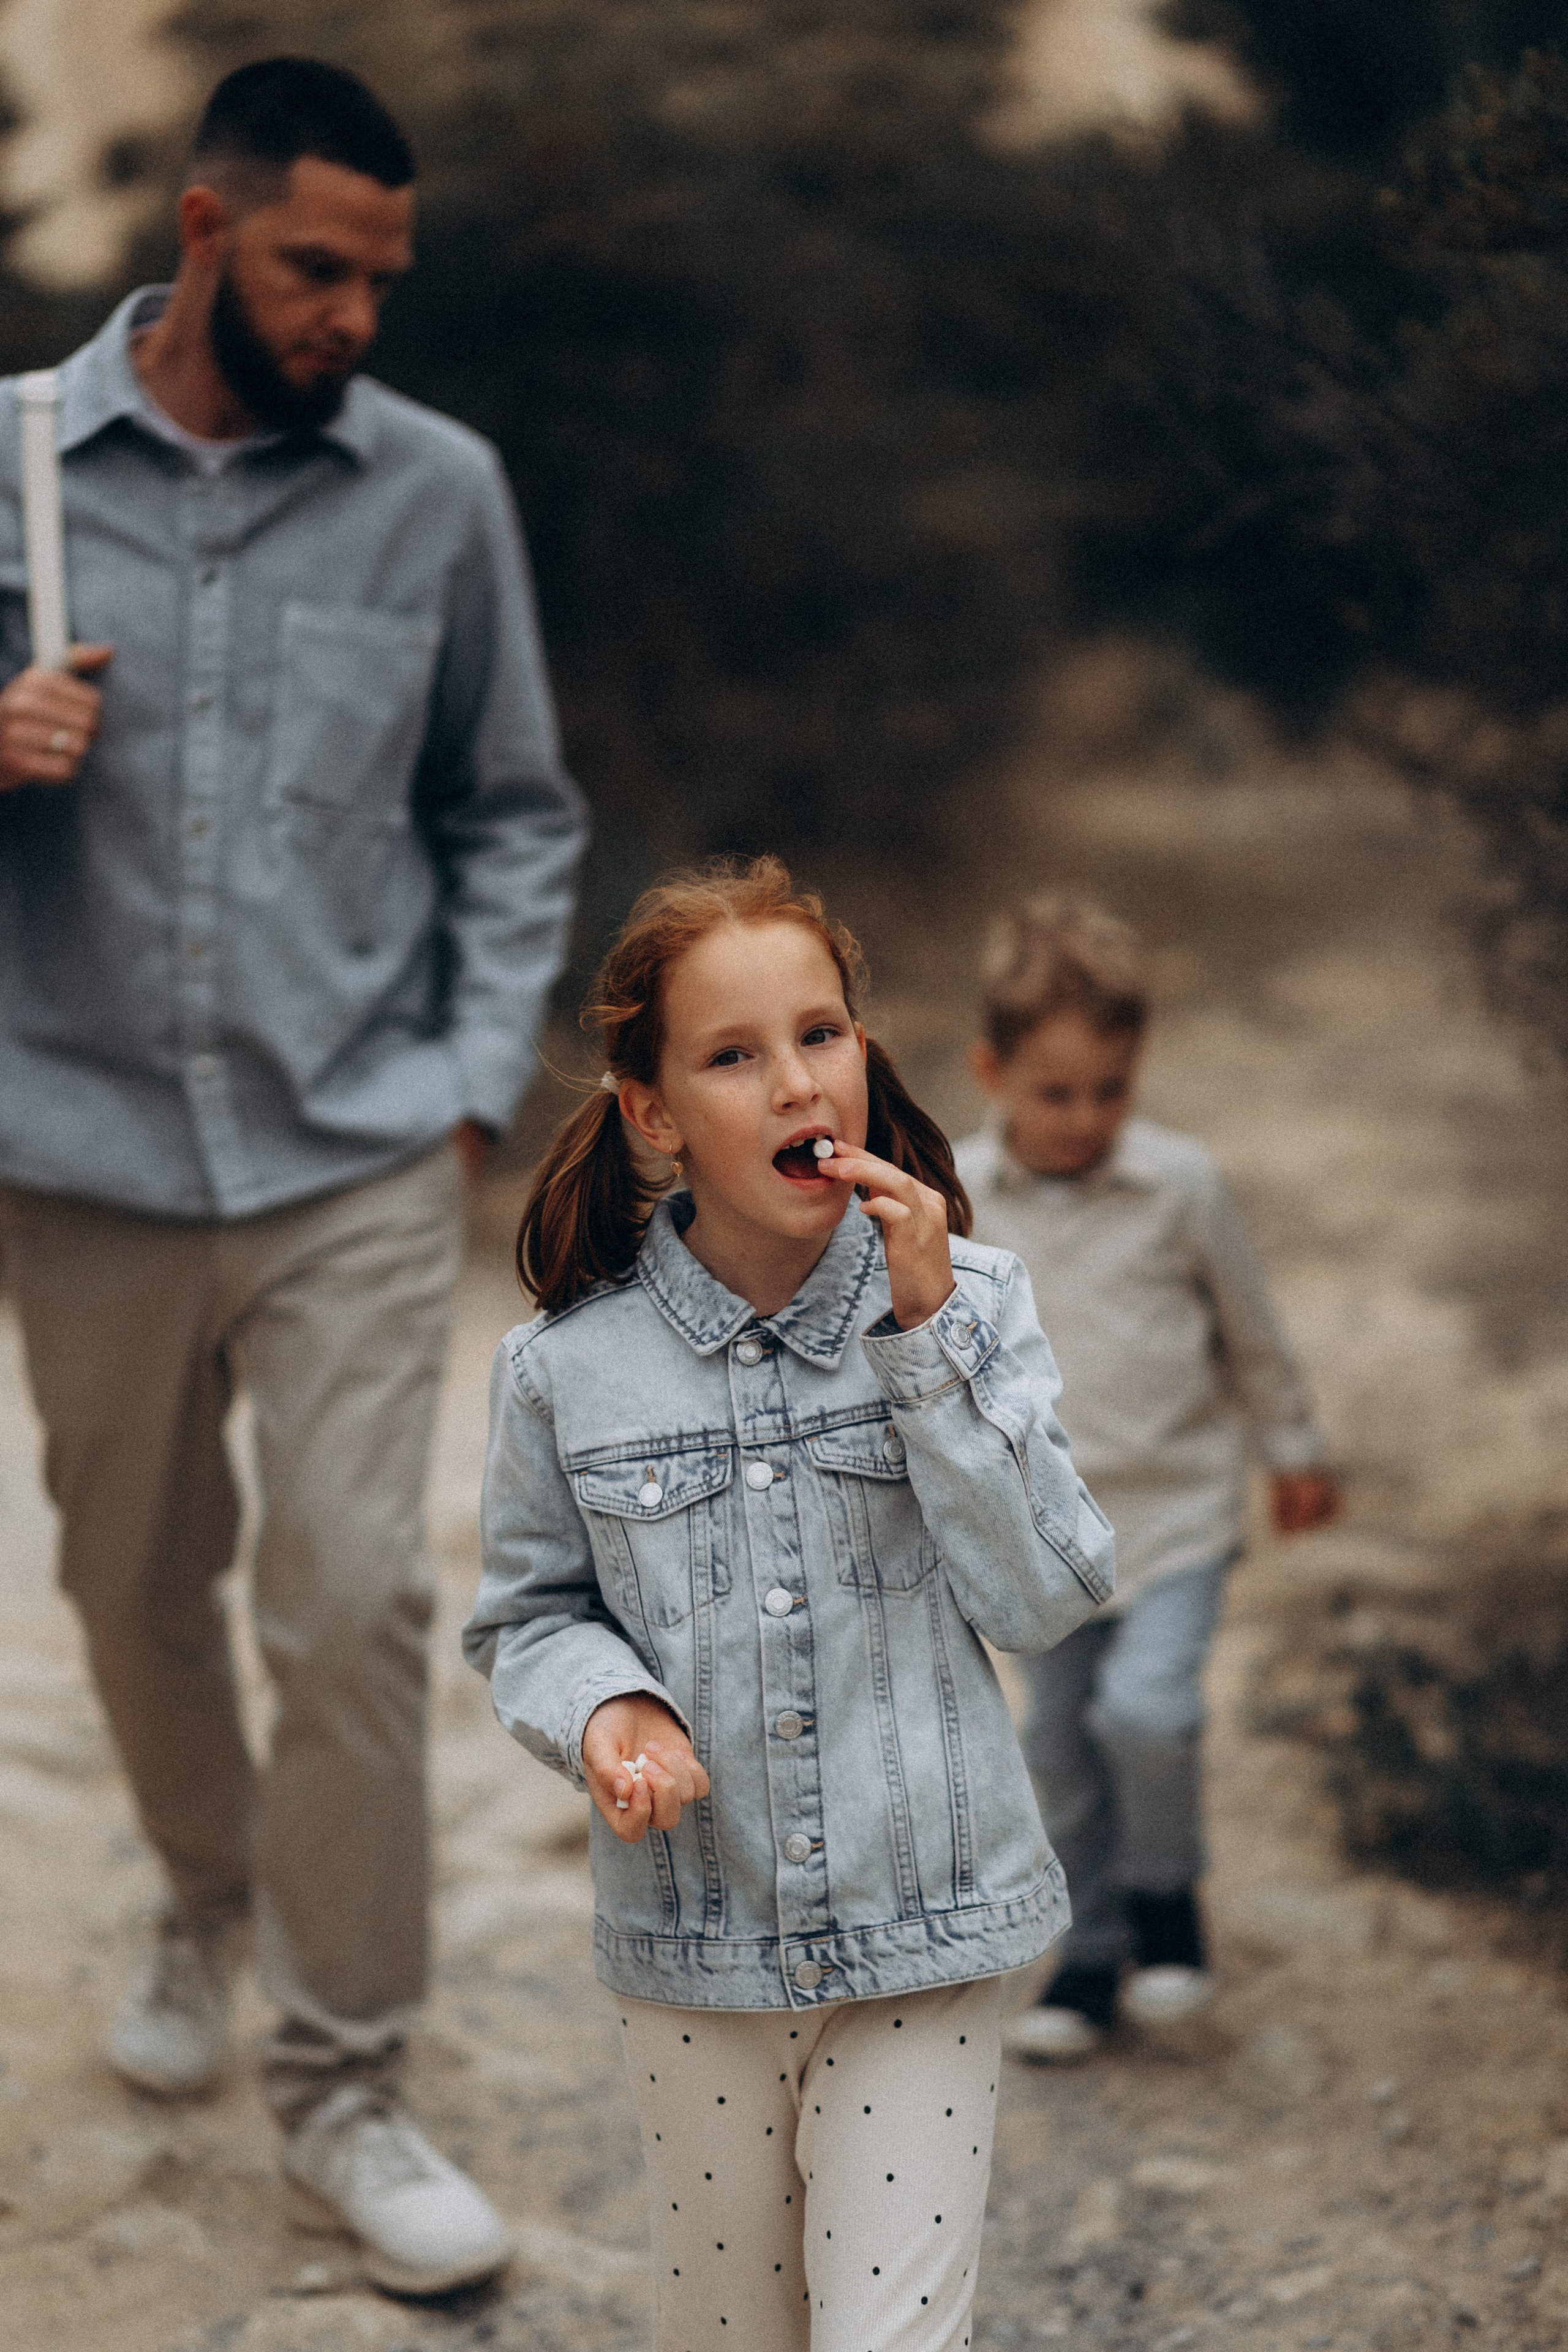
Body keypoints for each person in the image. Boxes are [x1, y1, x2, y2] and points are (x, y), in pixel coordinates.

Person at [0, 59, 586, 2291]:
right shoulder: (10, 461)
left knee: (350, 1601)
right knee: (133, 1595)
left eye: (382, 281)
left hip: (352, 1152)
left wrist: (468, 1073)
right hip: (76, 1151)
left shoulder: (441, 492)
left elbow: (511, 810)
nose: (354, 313)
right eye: (317, 267)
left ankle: (346, 2085)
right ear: (204, 230)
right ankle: (206, 1894)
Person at [464, 855, 1116, 2352]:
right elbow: (528, 1618)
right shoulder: (563, 1370)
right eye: (733, 1056)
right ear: (652, 1112)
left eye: (820, 1035)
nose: (796, 1085)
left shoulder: (967, 1302)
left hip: (930, 1926)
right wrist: (610, 1711)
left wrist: (924, 1339)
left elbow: (1043, 1595)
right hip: (695, 1948)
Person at [956, 895, 1340, 2062]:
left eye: (1110, 1091)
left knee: (1148, 1712)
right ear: (992, 1071)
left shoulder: (1181, 1185)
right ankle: (1089, 1952)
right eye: (1056, 1093)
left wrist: (1293, 1448)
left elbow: (1250, 1331)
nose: (1086, 1118)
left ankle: (1167, 1894)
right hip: (1041, 1534)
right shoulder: (958, 1200)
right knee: (1060, 1749)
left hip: (1173, 1517)